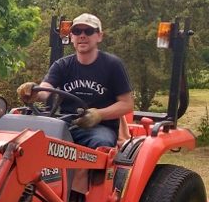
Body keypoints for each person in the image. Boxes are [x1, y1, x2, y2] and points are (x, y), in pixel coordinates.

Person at [17, 13, 134, 148]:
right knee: (29, 138)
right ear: (72, 36)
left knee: (100, 143)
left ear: (99, 36)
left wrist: (99, 114)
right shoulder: (62, 65)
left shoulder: (113, 65)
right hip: (64, 123)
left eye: (88, 31)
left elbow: (127, 104)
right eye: (77, 31)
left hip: (99, 128)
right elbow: (45, 91)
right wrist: (33, 91)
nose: (82, 36)